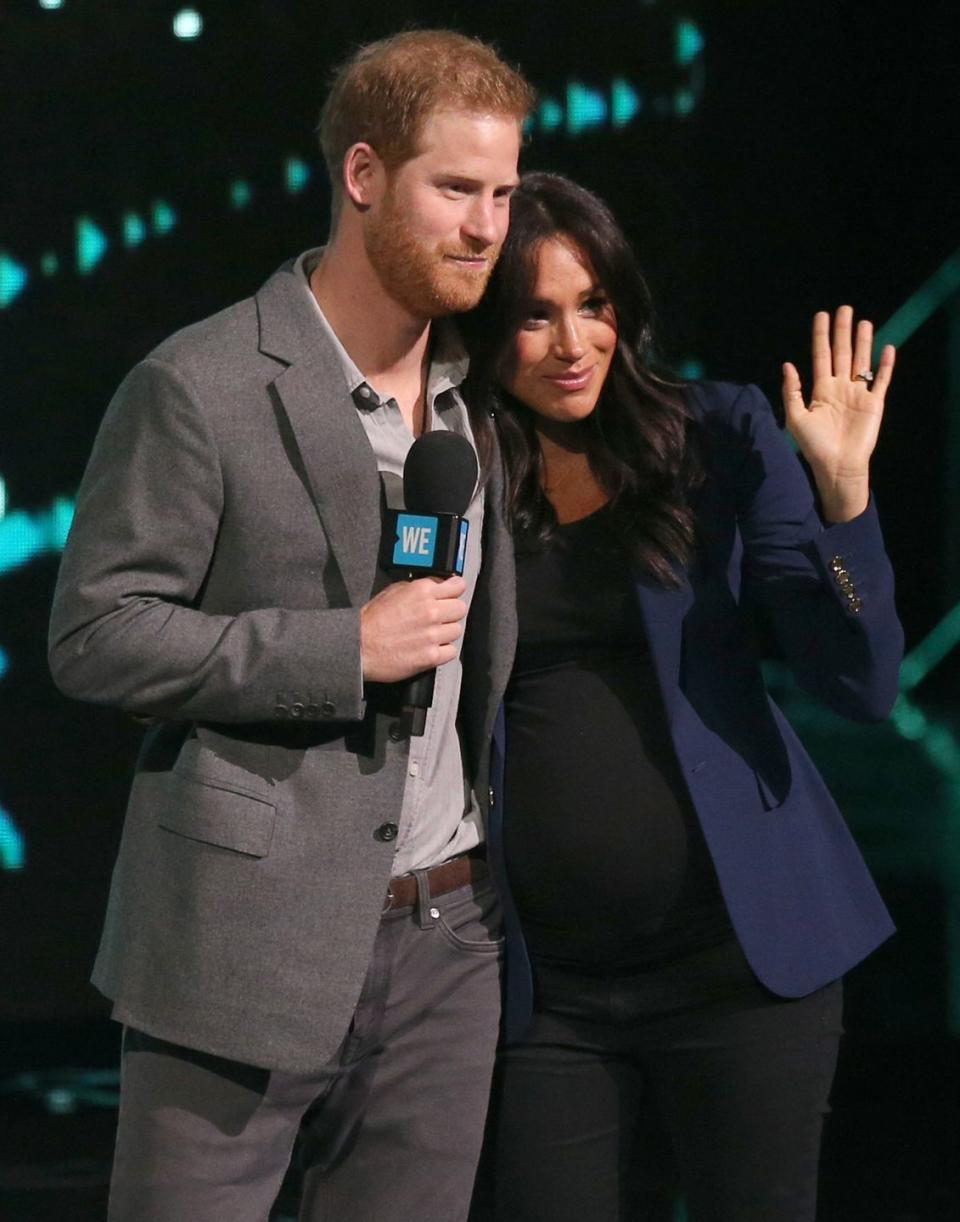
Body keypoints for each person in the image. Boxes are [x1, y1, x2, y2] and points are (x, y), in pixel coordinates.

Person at [47, 30, 533, 1222]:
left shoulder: (476, 403)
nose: (485, 227)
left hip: (445, 936)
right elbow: (96, 634)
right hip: (240, 944)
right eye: (455, 189)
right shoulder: (203, 382)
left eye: (505, 195)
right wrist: (340, 650)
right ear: (364, 176)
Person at [462, 172, 903, 1222]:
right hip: (544, 991)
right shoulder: (453, 466)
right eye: (535, 313)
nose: (573, 343)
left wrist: (845, 499)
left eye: (593, 305)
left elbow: (861, 680)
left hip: (740, 966)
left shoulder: (720, 434)